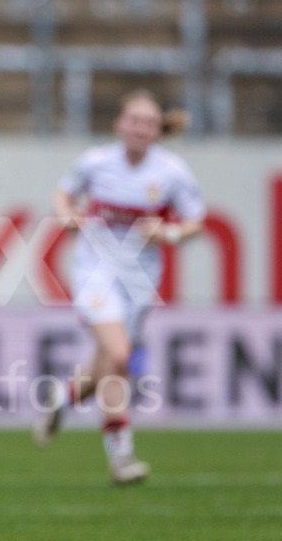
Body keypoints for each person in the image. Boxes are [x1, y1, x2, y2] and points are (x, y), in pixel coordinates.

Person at [32, 89, 205, 484]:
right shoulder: (95, 162)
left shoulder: (172, 172)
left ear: (159, 129)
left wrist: (170, 233)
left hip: (140, 278)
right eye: (133, 120)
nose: (139, 128)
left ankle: (64, 397)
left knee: (111, 361)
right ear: (120, 123)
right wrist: (66, 216)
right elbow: (64, 192)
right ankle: (121, 455)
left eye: (148, 122)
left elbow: (196, 221)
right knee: (119, 353)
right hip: (94, 270)